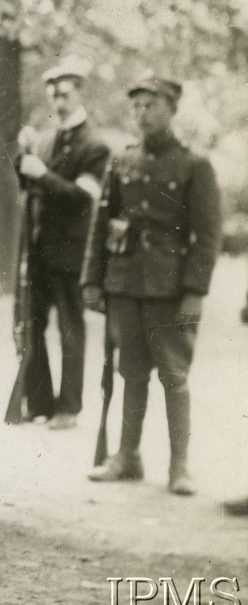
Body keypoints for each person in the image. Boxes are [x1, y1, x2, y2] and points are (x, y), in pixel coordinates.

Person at [84, 75, 221, 496]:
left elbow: (208, 235)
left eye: (152, 106)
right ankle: (127, 457)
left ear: (172, 110)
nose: (143, 114)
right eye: (138, 106)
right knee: (131, 371)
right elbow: (101, 223)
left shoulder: (194, 164)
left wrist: (195, 291)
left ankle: (179, 466)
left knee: (174, 375)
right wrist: (92, 278)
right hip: (126, 282)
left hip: (170, 286)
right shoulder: (121, 160)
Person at [14, 58, 109, 429]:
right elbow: (29, 189)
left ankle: (69, 408)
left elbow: (84, 199)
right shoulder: (44, 140)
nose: (58, 101)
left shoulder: (95, 145)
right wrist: (24, 158)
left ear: (79, 92)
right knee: (33, 326)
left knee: (71, 328)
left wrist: (42, 172)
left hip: (71, 253)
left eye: (65, 94)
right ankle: (39, 404)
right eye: (53, 94)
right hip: (38, 251)